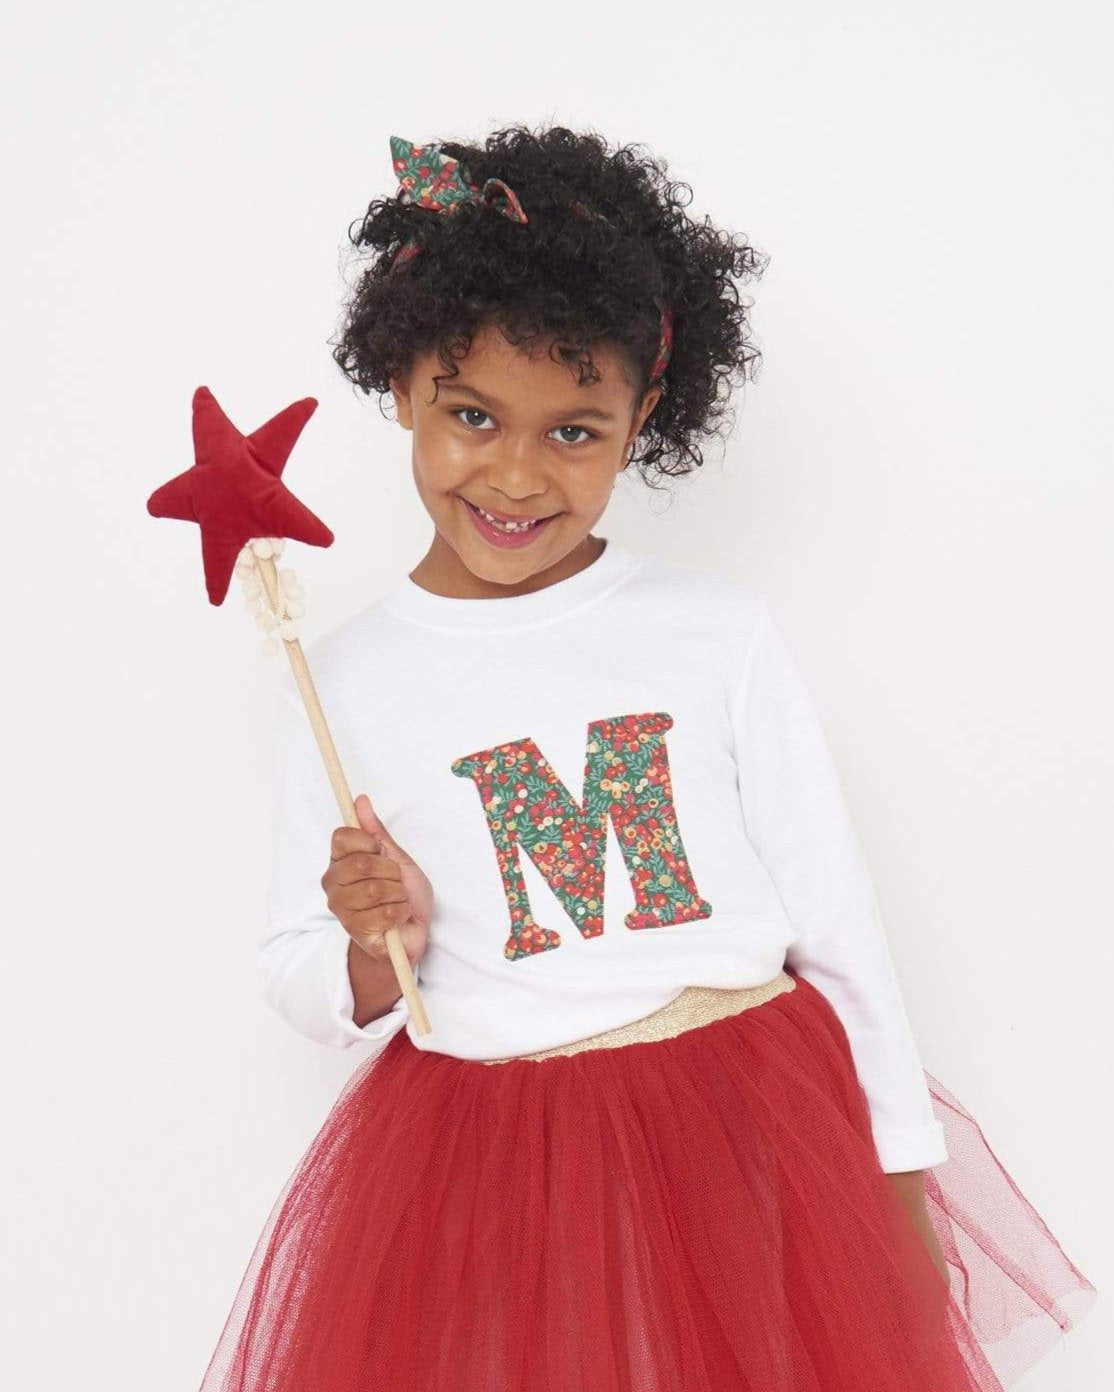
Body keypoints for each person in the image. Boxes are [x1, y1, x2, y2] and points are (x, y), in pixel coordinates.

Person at [198, 125, 1095, 1391]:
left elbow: (833, 915)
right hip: (491, 1157)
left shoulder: (709, 633)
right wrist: (361, 939)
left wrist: (897, 1167)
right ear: (400, 387)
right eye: (471, 415)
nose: (515, 471)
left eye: (575, 430)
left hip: (740, 1123)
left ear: (643, 421)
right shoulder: (341, 680)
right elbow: (299, 975)